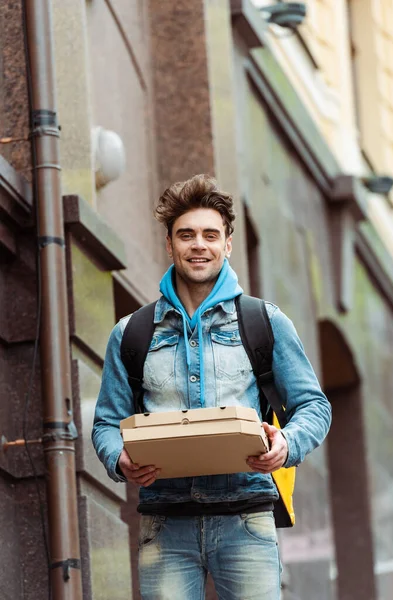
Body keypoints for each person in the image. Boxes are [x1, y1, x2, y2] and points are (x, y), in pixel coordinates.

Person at [92, 174, 331, 600]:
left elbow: (314, 406)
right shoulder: (132, 334)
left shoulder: (264, 322)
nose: (198, 245)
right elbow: (106, 424)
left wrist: (286, 445)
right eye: (186, 235)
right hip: (165, 525)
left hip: (247, 519)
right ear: (170, 244)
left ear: (227, 243)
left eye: (209, 234)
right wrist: (119, 458)